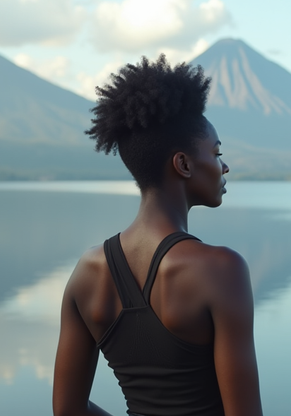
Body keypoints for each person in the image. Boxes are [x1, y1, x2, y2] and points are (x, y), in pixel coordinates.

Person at [52, 55, 264, 416]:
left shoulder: (87, 272)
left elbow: (66, 411)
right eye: (217, 153)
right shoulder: (221, 270)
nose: (224, 166)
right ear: (182, 164)